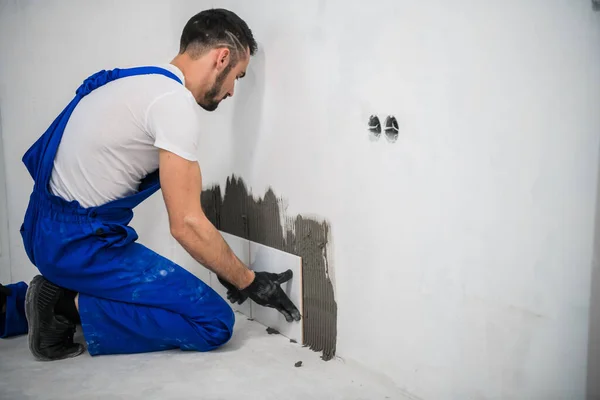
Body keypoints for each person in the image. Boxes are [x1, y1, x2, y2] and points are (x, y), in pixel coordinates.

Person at [19, 8, 301, 361]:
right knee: (212, 322)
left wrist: (228, 270)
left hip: (41, 230)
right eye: (238, 78)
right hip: (77, 246)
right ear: (222, 57)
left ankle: (17, 303)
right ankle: (62, 304)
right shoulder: (173, 105)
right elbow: (185, 224)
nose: (231, 92)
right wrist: (248, 279)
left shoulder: (137, 83)